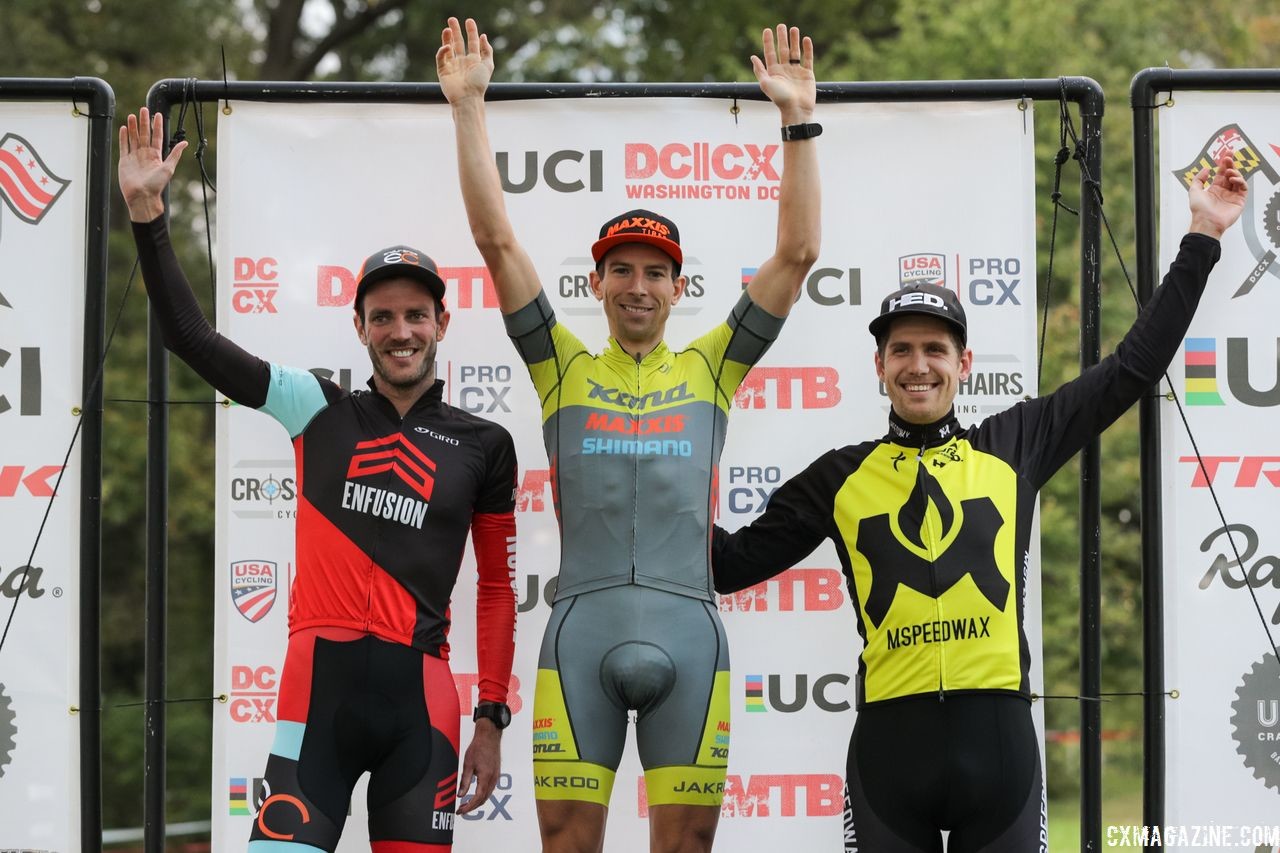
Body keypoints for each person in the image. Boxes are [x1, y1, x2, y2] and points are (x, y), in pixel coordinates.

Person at [709, 153, 1247, 852]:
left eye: (936, 348)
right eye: (901, 350)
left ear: (965, 363)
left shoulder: (1014, 444)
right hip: (888, 755)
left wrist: (1203, 236)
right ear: (879, 366)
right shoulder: (838, 478)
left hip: (999, 751)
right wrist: (650, 466)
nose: (918, 364)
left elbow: (1131, 370)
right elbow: (727, 563)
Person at [438, 16, 820, 852]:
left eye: (654, 272)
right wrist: (468, 105)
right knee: (568, 845)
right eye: (623, 270)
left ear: (679, 286)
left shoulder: (713, 367)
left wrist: (796, 119)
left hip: (691, 633)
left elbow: (795, 255)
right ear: (597, 281)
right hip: (583, 635)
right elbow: (494, 239)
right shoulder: (561, 368)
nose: (637, 285)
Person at [118, 107, 520, 853]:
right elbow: (192, 338)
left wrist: (491, 720)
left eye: (415, 315)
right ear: (360, 326)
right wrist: (148, 216)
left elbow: (496, 589)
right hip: (316, 703)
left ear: (442, 319)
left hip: (423, 712)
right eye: (383, 316)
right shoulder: (316, 407)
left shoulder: (485, 445)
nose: (401, 331)